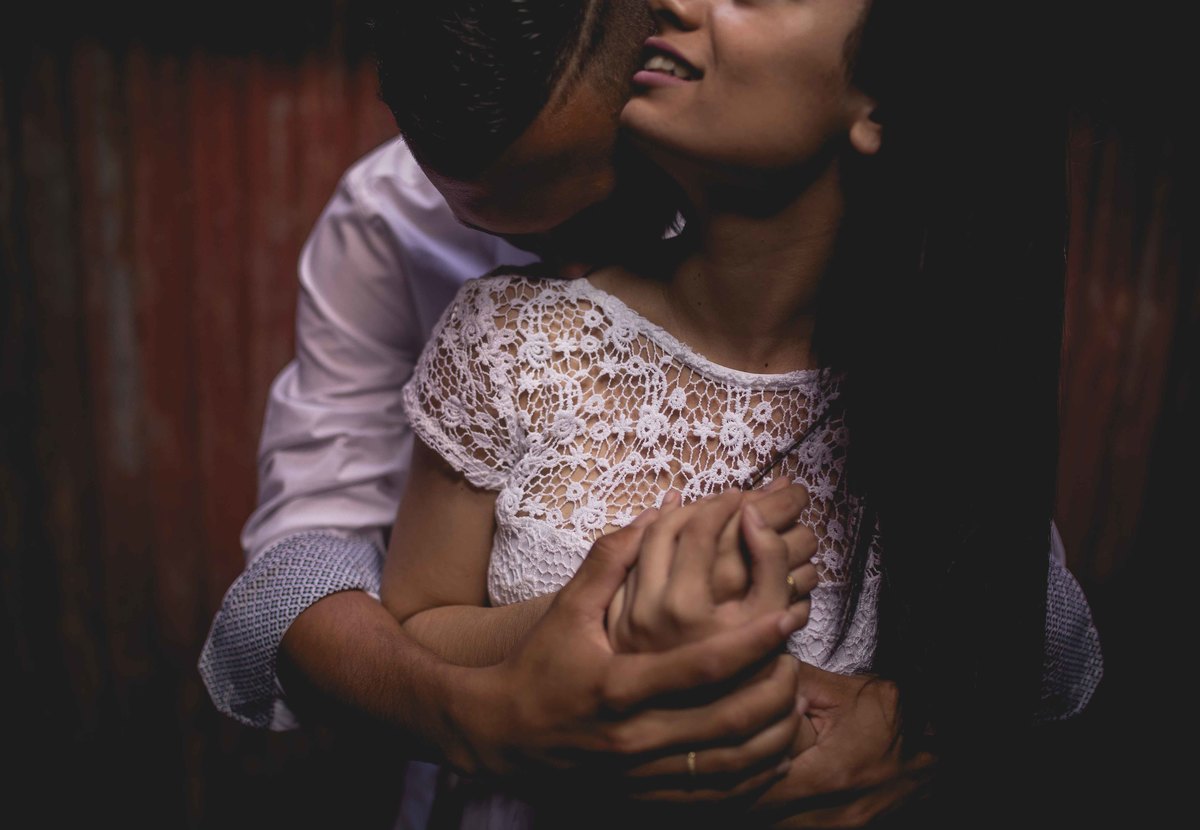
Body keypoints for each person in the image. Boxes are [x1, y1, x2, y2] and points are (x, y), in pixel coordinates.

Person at [198, 0, 1101, 825]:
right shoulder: (445, 271)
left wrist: (924, 730)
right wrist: (485, 714)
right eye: (508, 231)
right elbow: (313, 552)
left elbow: (1016, 619)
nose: (566, 263)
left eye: (598, 208)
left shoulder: (916, 340)